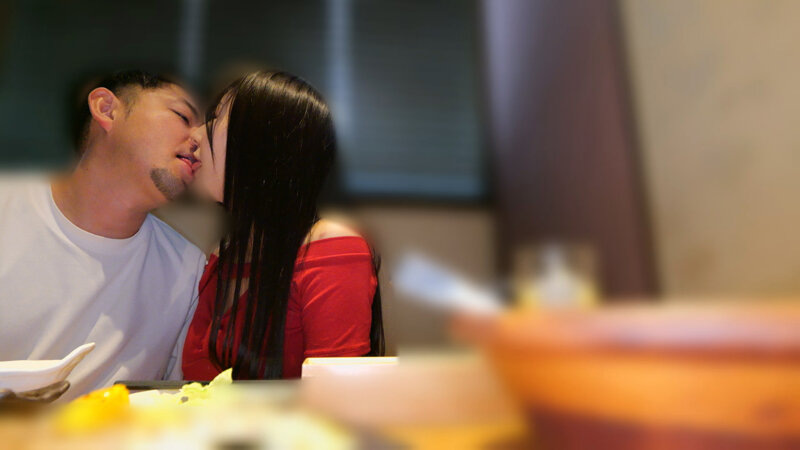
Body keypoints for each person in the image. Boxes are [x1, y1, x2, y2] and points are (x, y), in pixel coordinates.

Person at [0, 70, 207, 399]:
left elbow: (176, 406)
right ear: (106, 109)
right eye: (182, 116)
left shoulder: (188, 270)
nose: (199, 140)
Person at [181, 71, 384, 380]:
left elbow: (336, 394)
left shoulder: (331, 246)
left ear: (265, 144)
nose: (195, 135)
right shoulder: (223, 255)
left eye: (217, 117)